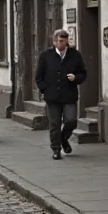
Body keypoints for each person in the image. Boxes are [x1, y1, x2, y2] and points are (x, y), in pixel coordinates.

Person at [35, 29, 87, 160]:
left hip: (69, 95)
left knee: (71, 121)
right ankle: (56, 149)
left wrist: (75, 77)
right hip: (52, 96)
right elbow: (38, 76)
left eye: (64, 41)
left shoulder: (75, 55)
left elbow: (83, 73)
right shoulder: (46, 55)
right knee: (54, 123)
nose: (62, 44)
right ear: (54, 41)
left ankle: (63, 139)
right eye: (59, 41)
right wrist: (45, 89)